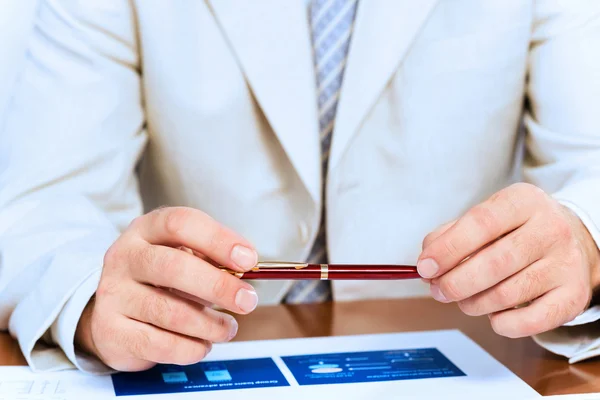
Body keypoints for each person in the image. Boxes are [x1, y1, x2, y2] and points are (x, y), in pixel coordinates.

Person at [1, 0, 599, 374]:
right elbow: (40, 204)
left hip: (465, 356)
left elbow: (591, 166)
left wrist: (583, 242)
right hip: (205, 360)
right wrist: (93, 296)